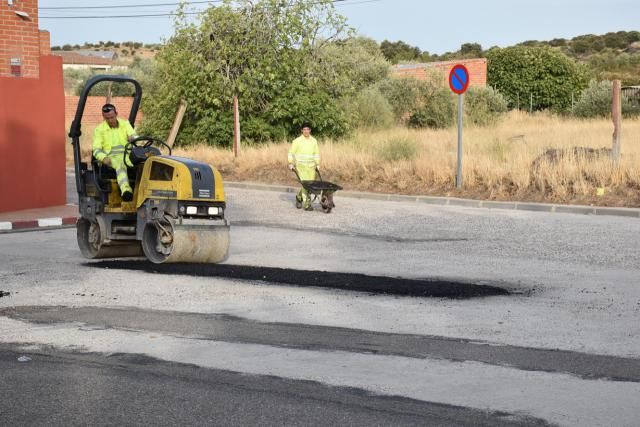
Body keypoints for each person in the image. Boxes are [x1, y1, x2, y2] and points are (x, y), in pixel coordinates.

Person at [92, 103, 137, 202]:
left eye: (112, 117)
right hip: (111, 159)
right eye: (107, 118)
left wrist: (133, 138)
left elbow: (135, 137)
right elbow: (96, 149)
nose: (110, 120)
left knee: (146, 163)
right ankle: (126, 191)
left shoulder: (125, 124)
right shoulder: (99, 130)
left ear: (116, 114)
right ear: (103, 117)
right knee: (121, 166)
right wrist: (103, 158)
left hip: (127, 156)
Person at [288, 123, 320, 211]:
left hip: (311, 167)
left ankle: (299, 197)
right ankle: (307, 205)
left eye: (308, 129)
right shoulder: (297, 141)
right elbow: (291, 153)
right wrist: (290, 163)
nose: (306, 131)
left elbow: (316, 153)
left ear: (310, 130)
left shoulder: (314, 141)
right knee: (305, 185)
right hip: (301, 167)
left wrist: (317, 164)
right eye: (304, 129)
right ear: (302, 130)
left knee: (308, 185)